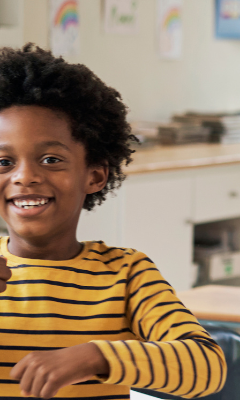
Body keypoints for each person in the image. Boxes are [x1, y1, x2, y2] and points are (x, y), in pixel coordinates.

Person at [0, 44, 226, 399]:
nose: (24, 177)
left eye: (50, 159)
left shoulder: (126, 273)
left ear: (94, 176)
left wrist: (96, 356)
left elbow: (207, 366)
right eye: (4, 163)